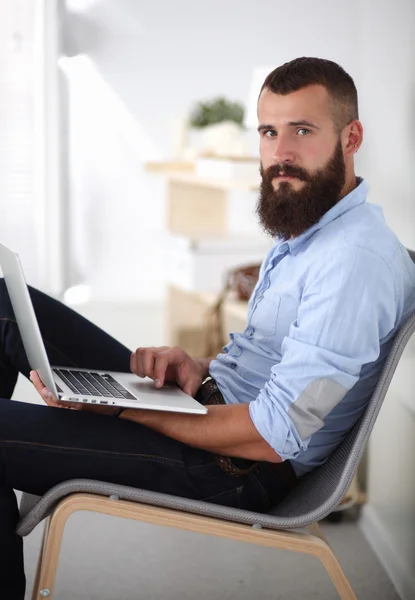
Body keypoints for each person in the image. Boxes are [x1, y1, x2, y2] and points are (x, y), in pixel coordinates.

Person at [1, 56, 415, 597]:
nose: (280, 154)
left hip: (233, 467)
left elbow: (272, 435)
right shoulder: (311, 230)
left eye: (302, 131)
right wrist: (197, 368)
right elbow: (268, 362)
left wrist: (124, 405)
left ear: (351, 136)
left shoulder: (354, 260)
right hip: (212, 406)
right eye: (269, 132)